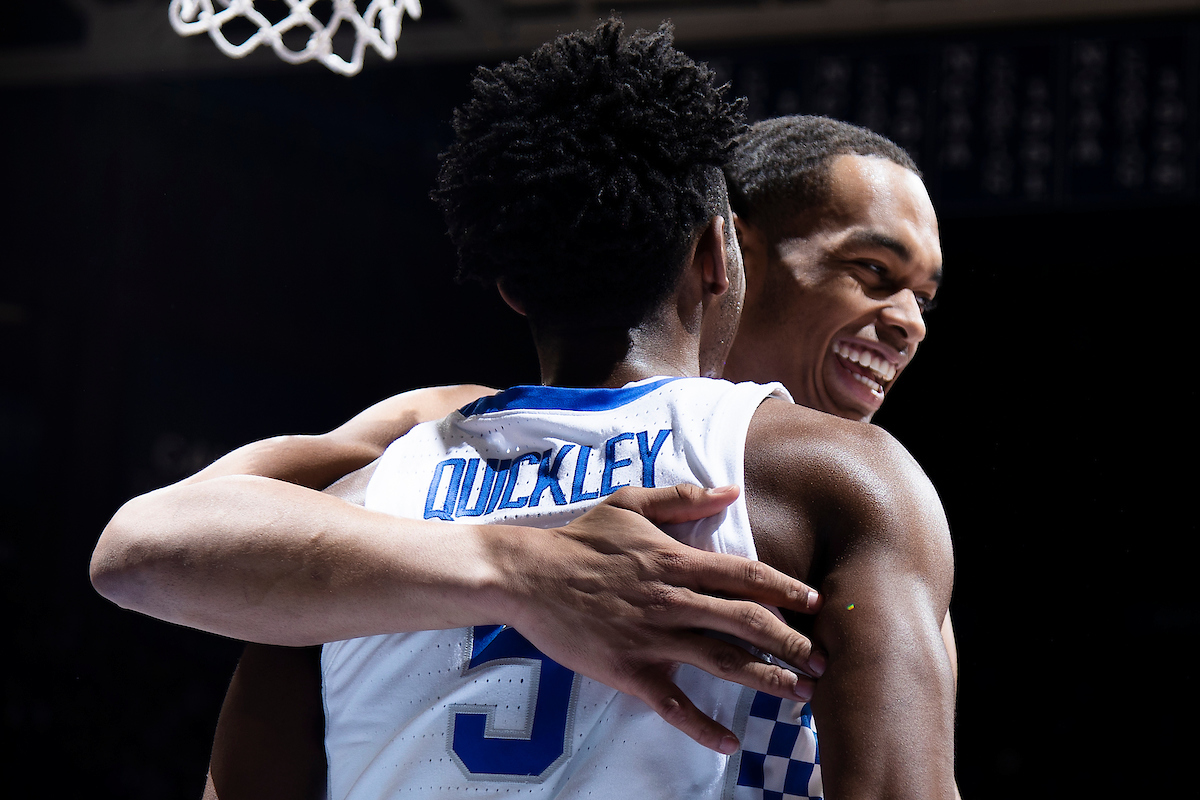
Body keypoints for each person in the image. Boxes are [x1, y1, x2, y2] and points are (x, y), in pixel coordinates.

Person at [94, 18, 955, 799]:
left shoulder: (375, 496)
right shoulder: (854, 486)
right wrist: (522, 567)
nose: (909, 321)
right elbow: (146, 541)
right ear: (726, 245)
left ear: (509, 289)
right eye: (873, 273)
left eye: (926, 295)